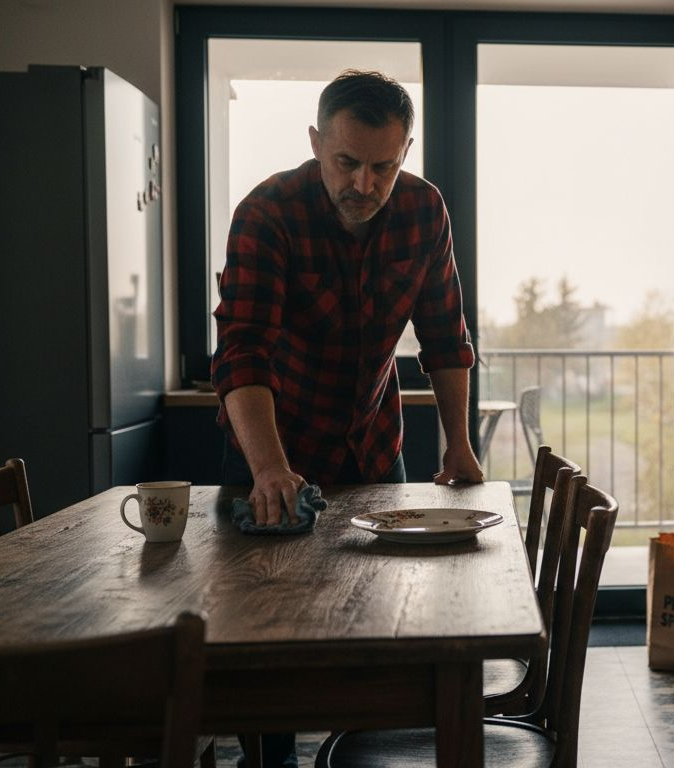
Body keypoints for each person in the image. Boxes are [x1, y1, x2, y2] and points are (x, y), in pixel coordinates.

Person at [210, 69, 483, 768]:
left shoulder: (424, 211)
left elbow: (446, 335)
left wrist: (460, 446)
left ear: (405, 152)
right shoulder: (267, 212)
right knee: (263, 629)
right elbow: (243, 350)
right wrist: (269, 467)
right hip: (269, 447)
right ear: (315, 143)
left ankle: (359, 750)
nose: (364, 184)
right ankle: (269, 759)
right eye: (347, 163)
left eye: (383, 167)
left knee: (375, 614)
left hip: (371, 443)